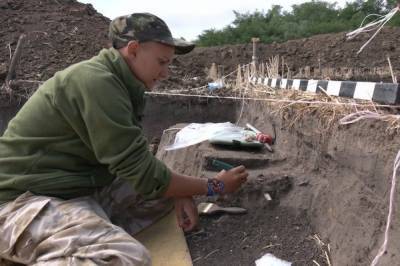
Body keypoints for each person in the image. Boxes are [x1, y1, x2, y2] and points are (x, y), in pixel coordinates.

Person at [0, 12, 248, 265]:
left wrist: (176, 191)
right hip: (17, 204)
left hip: (67, 191)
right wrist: (214, 186)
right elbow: (144, 174)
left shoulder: (119, 83)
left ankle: (78, 232)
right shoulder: (96, 82)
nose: (165, 72)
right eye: (162, 62)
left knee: (162, 196)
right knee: (124, 257)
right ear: (133, 50)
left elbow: (147, 174)